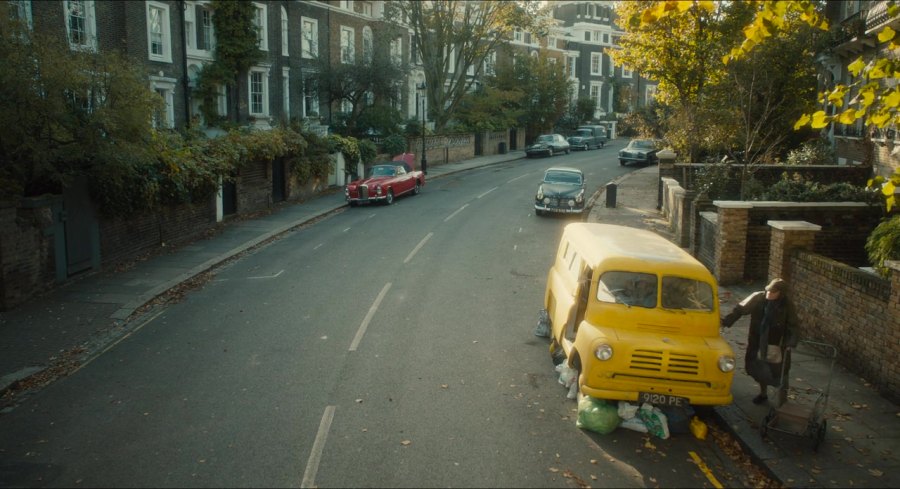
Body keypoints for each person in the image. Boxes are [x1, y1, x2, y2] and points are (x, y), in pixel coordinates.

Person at [721, 278, 797, 406]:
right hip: (757, 340)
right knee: (759, 369)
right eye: (769, 290)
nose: (769, 294)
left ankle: (783, 402)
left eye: (773, 292)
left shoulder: (787, 305)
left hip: (777, 343)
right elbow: (740, 309)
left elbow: (793, 325)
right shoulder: (758, 297)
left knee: (780, 373)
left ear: (781, 293)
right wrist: (727, 321)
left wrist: (790, 342)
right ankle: (763, 394)